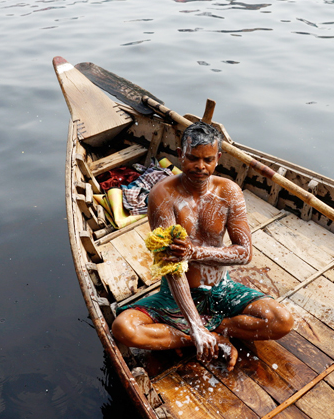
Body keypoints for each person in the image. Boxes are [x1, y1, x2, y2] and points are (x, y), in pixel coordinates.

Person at [111, 122, 294, 370]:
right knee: (123, 329)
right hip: (176, 294)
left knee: (282, 321)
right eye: (192, 158)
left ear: (218, 158)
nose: (200, 167)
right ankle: (200, 337)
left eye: (207, 159)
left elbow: (245, 253)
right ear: (180, 155)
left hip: (222, 289)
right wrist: (195, 328)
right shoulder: (162, 194)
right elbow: (172, 269)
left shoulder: (229, 191)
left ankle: (219, 327)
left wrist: (195, 252)